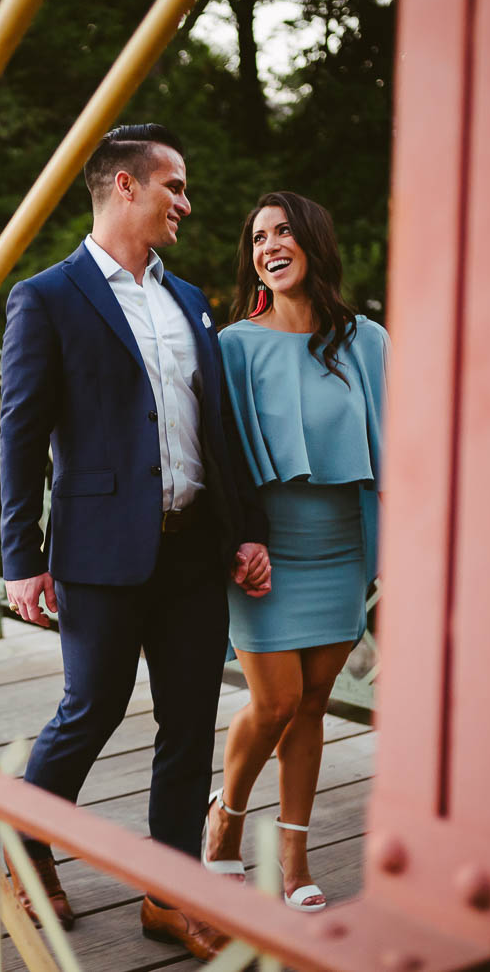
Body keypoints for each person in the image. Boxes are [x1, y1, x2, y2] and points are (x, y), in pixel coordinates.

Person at [0, 123, 270, 960]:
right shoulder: (45, 297)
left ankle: (169, 891)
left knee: (189, 722)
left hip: (193, 550)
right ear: (125, 187)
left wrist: (245, 531)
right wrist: (22, 559)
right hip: (99, 551)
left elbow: (215, 427)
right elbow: (20, 432)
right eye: (174, 187)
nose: (186, 203)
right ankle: (24, 840)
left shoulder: (189, 300)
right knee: (92, 709)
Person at [202, 191, 388, 913]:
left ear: (312, 242)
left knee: (313, 703)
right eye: (257, 238)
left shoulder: (366, 340)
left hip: (341, 545)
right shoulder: (232, 345)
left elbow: (395, 443)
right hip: (266, 552)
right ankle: (227, 816)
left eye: (282, 232)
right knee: (274, 701)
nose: (268, 246)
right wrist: (235, 542)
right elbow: (219, 460)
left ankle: (294, 856)